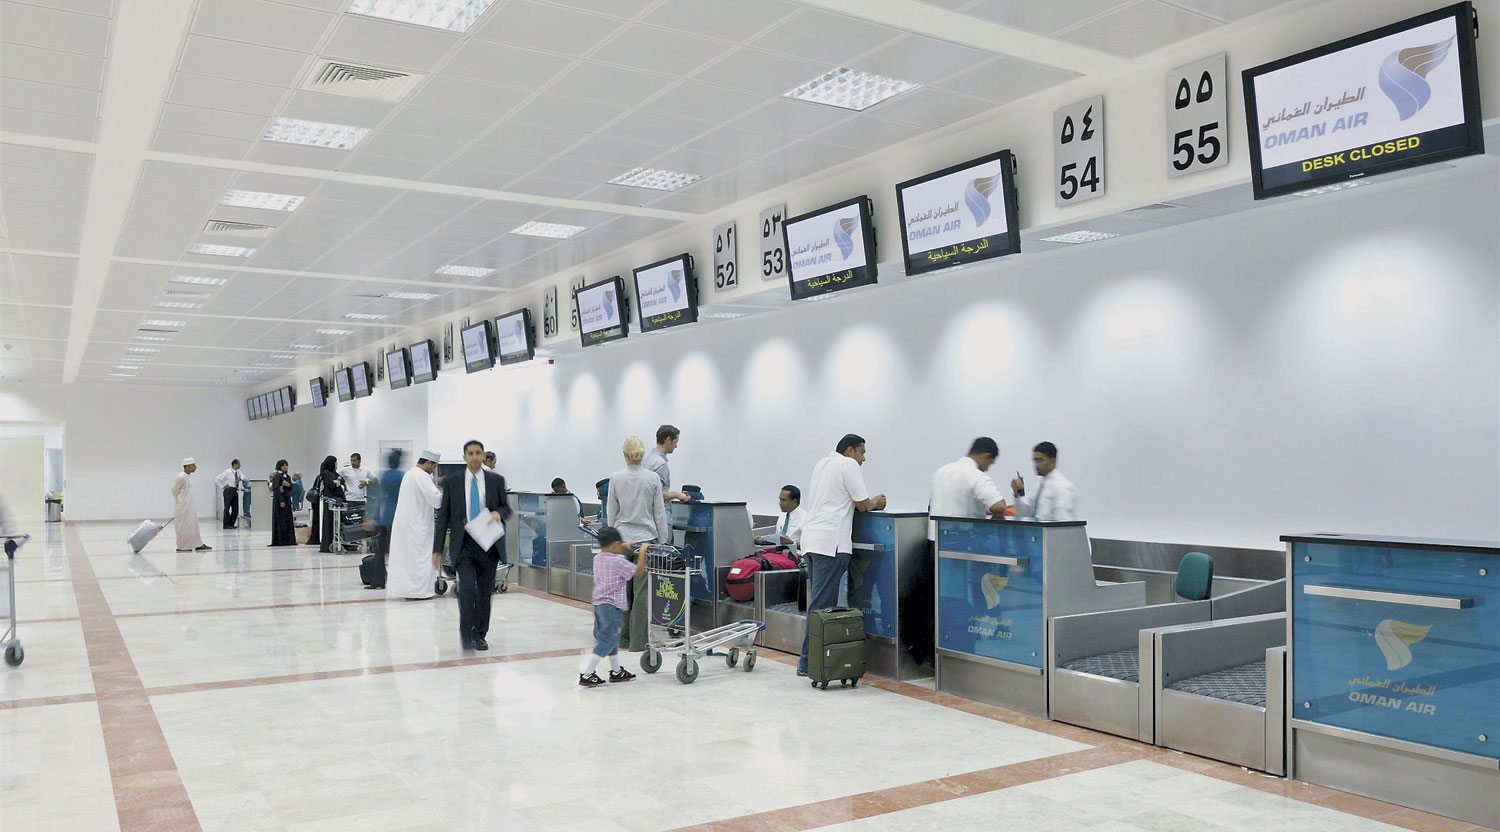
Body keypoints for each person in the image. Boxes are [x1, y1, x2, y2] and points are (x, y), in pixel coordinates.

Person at [797, 434, 886, 677]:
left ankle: (809, 660)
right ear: (849, 451)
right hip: (831, 544)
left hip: (812, 541)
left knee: (818, 602)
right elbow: (863, 504)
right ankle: (808, 662)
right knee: (821, 606)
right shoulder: (847, 465)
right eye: (861, 452)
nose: (863, 458)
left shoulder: (822, 463)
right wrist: (877, 501)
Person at [434, 440, 510, 651]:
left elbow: (506, 508)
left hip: (488, 544)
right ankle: (466, 633)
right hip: (464, 544)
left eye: (478, 453)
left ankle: (480, 634)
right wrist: (437, 548)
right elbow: (444, 516)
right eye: (470, 453)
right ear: (465, 457)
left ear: (484, 455)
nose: (475, 457)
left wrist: (498, 513)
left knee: (485, 593)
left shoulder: (496, 480)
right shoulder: (453, 482)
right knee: (467, 588)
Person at [606, 436, 672, 652]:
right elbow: (659, 513)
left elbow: (611, 513)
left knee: (621, 591)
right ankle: (638, 641)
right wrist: (663, 541)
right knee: (643, 592)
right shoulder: (652, 478)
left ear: (624, 454)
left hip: (622, 541)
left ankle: (622, 638)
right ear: (642, 454)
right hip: (646, 542)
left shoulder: (615, 478)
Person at [579, 526, 648, 688]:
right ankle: (587, 674)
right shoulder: (619, 561)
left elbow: (613, 548)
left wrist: (623, 545)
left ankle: (616, 671)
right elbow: (638, 571)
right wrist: (643, 550)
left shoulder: (598, 558)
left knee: (611, 638)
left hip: (599, 605)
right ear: (617, 544)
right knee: (608, 639)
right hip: (612, 607)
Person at [388, 450, 444, 601]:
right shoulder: (422, 476)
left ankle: (410, 591)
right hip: (417, 525)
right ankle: (419, 593)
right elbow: (436, 499)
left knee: (409, 561)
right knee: (420, 560)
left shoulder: (410, 473)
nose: (433, 471)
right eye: (433, 467)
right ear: (428, 463)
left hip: (407, 525)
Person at [929, 437, 1009, 538]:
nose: (987, 468)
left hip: (934, 538)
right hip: (962, 540)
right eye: (990, 463)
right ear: (986, 456)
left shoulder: (939, 472)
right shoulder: (976, 475)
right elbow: (999, 507)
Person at [1010, 441, 1078, 522]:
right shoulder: (1039, 485)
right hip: (1036, 532)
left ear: (1053, 461)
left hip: (1050, 533)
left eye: (1040, 460)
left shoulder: (1062, 487)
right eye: (1034, 461)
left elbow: (1062, 524)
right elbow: (1024, 513)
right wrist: (1017, 493)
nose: (1036, 465)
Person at [371, 449, 405, 564]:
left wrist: (374, 516)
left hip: (384, 515)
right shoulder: (401, 475)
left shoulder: (384, 475)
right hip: (398, 515)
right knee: (398, 547)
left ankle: (378, 576)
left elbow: (379, 496)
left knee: (381, 547)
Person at [171, 458, 211, 552]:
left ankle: (198, 544)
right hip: (183, 506)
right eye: (193, 465)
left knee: (193, 525)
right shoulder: (181, 477)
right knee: (184, 526)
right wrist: (180, 502)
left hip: (189, 506)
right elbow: (174, 491)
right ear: (188, 466)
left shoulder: (187, 476)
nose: (195, 467)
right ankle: (183, 546)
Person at [643, 424, 689, 502]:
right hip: (659, 512)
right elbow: (657, 494)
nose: (676, 446)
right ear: (668, 440)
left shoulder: (645, 460)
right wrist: (677, 495)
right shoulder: (661, 465)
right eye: (675, 442)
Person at [312, 456, 346, 553]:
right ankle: (327, 544)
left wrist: (338, 482)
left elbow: (340, 481)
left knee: (336, 524)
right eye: (335, 462)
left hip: (337, 501)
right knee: (329, 523)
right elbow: (331, 484)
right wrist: (337, 482)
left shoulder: (334, 473)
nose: (336, 465)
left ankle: (337, 541)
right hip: (330, 501)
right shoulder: (326, 473)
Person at [756, 485, 805, 552]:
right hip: (779, 553)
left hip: (795, 556)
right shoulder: (782, 516)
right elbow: (778, 539)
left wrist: (792, 543)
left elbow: (811, 547)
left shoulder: (805, 519)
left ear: (794, 501)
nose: (780, 503)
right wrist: (764, 540)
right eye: (780, 499)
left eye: (783, 500)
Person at [268, 460, 295, 547]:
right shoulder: (277, 476)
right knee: (280, 520)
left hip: (287, 499)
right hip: (280, 500)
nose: (285, 467)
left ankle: (288, 539)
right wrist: (281, 501)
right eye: (283, 465)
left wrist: (288, 485)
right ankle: (280, 540)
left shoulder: (287, 477)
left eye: (286, 465)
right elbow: (276, 489)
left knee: (287, 519)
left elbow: (291, 487)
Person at [214, 460, 243, 529]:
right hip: (228, 490)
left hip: (235, 490)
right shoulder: (227, 472)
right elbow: (217, 479)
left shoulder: (238, 472)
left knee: (235, 508)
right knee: (227, 508)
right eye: (239, 464)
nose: (240, 466)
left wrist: (240, 478)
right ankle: (226, 524)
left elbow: (244, 477)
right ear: (235, 464)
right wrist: (222, 486)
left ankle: (231, 523)